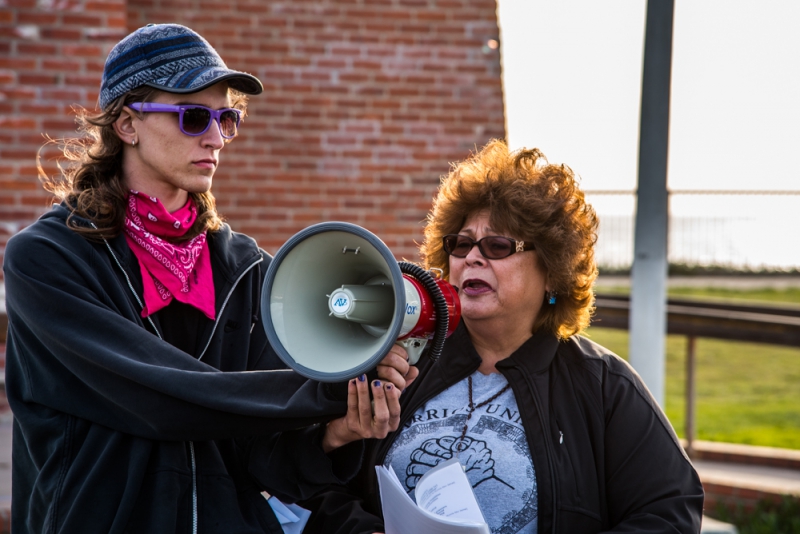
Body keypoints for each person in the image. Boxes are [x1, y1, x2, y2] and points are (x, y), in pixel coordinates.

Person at [2, 23, 416, 533]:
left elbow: (261, 454)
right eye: (194, 117)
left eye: (228, 118)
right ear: (127, 125)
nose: (216, 138)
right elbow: (160, 396)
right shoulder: (46, 258)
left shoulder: (248, 269)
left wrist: (341, 426)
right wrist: (326, 386)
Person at [300, 140, 704, 533]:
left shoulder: (602, 385)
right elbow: (310, 483)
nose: (472, 257)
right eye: (461, 244)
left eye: (497, 245)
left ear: (552, 270)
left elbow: (670, 511)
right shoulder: (398, 364)